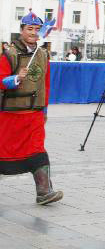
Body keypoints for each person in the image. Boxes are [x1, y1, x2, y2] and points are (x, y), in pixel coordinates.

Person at [0, 12, 63, 205]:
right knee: (4, 150)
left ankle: (44, 191)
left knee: (37, 149)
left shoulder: (43, 54)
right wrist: (16, 78)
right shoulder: (8, 54)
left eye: (37, 29)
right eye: (30, 29)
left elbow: (45, 84)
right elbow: (1, 81)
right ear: (21, 30)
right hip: (11, 114)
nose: (34, 33)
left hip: (34, 114)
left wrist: (44, 110)